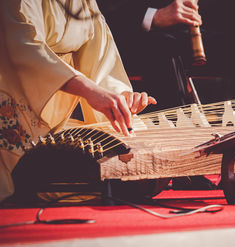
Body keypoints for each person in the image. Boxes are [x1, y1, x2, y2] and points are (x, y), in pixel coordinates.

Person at [0, 0, 156, 202]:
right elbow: (26, 48)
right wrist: (90, 90)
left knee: (137, 136)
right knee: (23, 169)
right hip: (18, 86)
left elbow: (101, 54)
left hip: (58, 102)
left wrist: (120, 99)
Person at [98, 0, 203, 111]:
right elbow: (94, 14)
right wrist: (153, 16)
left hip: (186, 35)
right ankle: (174, 121)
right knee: (164, 45)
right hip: (131, 40)